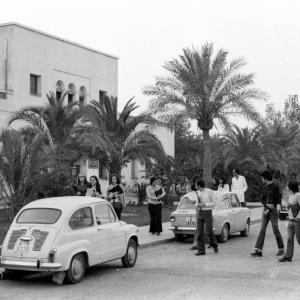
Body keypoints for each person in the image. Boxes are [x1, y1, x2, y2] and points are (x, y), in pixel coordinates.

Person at [250, 170, 285, 257]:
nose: (262, 179)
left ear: (265, 178)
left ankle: (281, 249)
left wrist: (269, 208)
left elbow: (276, 201)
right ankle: (258, 250)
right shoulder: (264, 187)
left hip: (272, 212)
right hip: (265, 210)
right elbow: (262, 199)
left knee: (275, 229)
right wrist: (266, 206)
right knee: (262, 230)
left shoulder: (275, 187)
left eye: (262, 178)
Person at [195, 179, 219, 256]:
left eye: (197, 185)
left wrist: (205, 204)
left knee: (209, 231)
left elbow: (214, 202)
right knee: (200, 232)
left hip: (208, 212)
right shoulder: (197, 193)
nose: (196, 187)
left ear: (199, 186)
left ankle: (214, 244)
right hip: (200, 213)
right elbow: (196, 203)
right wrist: (197, 205)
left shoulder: (209, 191)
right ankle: (201, 249)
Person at [278, 181, 300, 262]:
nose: (287, 188)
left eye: (288, 187)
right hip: (290, 220)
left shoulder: (298, 195)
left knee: (299, 239)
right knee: (289, 239)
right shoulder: (290, 196)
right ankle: (288, 256)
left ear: (291, 188)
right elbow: (291, 207)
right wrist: (287, 206)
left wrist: (298, 217)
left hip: (297, 221)